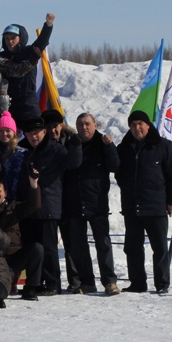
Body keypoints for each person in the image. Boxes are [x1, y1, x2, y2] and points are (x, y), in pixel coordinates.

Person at [115, 110, 172, 294]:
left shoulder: (164, 146)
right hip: (132, 208)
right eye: (133, 124)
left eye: (140, 123)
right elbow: (119, 175)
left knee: (160, 248)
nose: (137, 128)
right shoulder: (124, 148)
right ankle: (138, 283)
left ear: (148, 125)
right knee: (132, 248)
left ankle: (162, 284)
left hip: (156, 206)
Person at [17, 117, 82, 296]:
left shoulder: (55, 149)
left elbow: (73, 163)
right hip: (29, 207)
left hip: (48, 205)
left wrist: (76, 145)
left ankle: (53, 283)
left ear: (44, 132)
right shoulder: (24, 150)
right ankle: (35, 282)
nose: (33, 136)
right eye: (29, 133)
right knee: (32, 247)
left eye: (36, 133)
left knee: (49, 248)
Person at [64, 113, 121, 296]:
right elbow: (72, 165)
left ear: (95, 125)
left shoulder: (102, 143)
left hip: (96, 203)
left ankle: (110, 282)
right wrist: (76, 146)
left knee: (103, 244)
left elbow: (114, 165)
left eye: (88, 124)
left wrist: (110, 146)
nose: (84, 127)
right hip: (75, 203)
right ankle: (87, 282)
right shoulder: (72, 143)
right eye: (80, 124)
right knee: (79, 247)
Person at [0, 173, 42, 301]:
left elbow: (34, 205)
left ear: (5, 193)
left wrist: (34, 185)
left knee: (37, 249)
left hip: (14, 256)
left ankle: (31, 288)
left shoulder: (13, 207)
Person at [42, 109, 80, 292]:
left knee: (71, 244)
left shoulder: (73, 140)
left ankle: (75, 280)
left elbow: (75, 164)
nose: (52, 130)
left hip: (70, 198)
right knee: (48, 245)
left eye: (55, 126)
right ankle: (51, 281)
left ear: (61, 125)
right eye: (48, 127)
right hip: (50, 200)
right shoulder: (42, 145)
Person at [0, 14, 55, 126]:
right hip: (9, 103)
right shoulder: (1, 56)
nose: (10, 41)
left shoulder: (29, 52)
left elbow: (42, 41)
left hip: (28, 102)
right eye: (7, 38)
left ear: (21, 38)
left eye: (13, 38)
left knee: (33, 133)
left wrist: (48, 25)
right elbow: (12, 72)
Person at [0, 111, 26, 200]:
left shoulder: (21, 153)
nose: (4, 134)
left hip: (16, 199)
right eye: (1, 131)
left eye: (8, 130)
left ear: (14, 132)